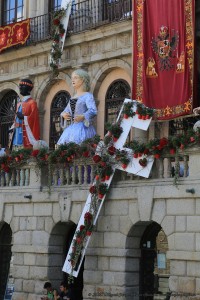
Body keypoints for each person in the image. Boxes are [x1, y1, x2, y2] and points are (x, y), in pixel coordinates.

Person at [57, 69, 97, 145]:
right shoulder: (72, 98)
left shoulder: (87, 96)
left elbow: (93, 110)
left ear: (82, 80)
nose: (73, 80)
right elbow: (66, 111)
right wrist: (63, 115)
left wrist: (83, 116)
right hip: (72, 128)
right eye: (72, 78)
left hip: (84, 128)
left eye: (76, 77)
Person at [11, 78, 40, 148]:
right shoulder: (19, 104)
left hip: (25, 135)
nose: (20, 88)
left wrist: (24, 117)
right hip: (16, 134)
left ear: (28, 88)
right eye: (20, 86)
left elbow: (34, 119)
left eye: (22, 86)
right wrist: (12, 127)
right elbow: (16, 120)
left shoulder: (32, 103)